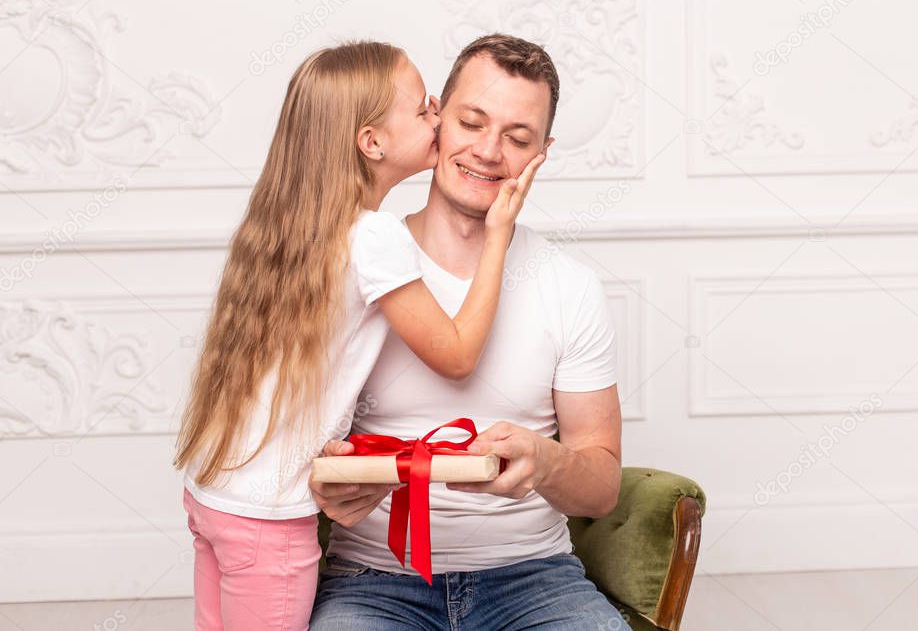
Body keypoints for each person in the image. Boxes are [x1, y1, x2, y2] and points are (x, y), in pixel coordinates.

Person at [173, 41, 544, 630]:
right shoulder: (375, 236)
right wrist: (499, 234)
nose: (438, 116)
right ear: (372, 142)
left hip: (214, 498)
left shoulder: (301, 224)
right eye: (424, 110)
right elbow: (456, 356)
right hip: (268, 525)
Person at [310, 34, 625, 630]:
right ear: (435, 122)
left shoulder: (569, 285)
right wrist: (328, 477)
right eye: (471, 122)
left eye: (517, 137)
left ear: (543, 152)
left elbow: (602, 489)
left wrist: (547, 462)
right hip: (375, 579)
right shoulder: (355, 260)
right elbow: (292, 435)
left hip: (533, 577)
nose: (487, 151)